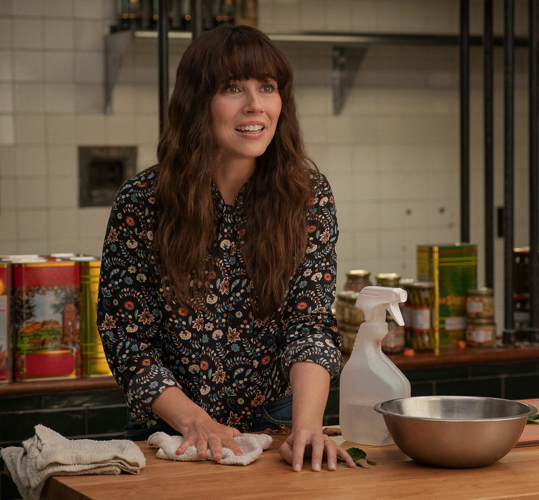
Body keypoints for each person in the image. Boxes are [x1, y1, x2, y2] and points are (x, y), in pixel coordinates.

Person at [97, 24, 355, 473]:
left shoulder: (308, 196)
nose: (255, 104)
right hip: (172, 429)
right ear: (197, 102)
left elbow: (309, 324)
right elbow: (126, 337)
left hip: (279, 422)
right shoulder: (143, 201)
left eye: (267, 87)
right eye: (233, 88)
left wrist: (308, 428)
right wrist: (196, 422)